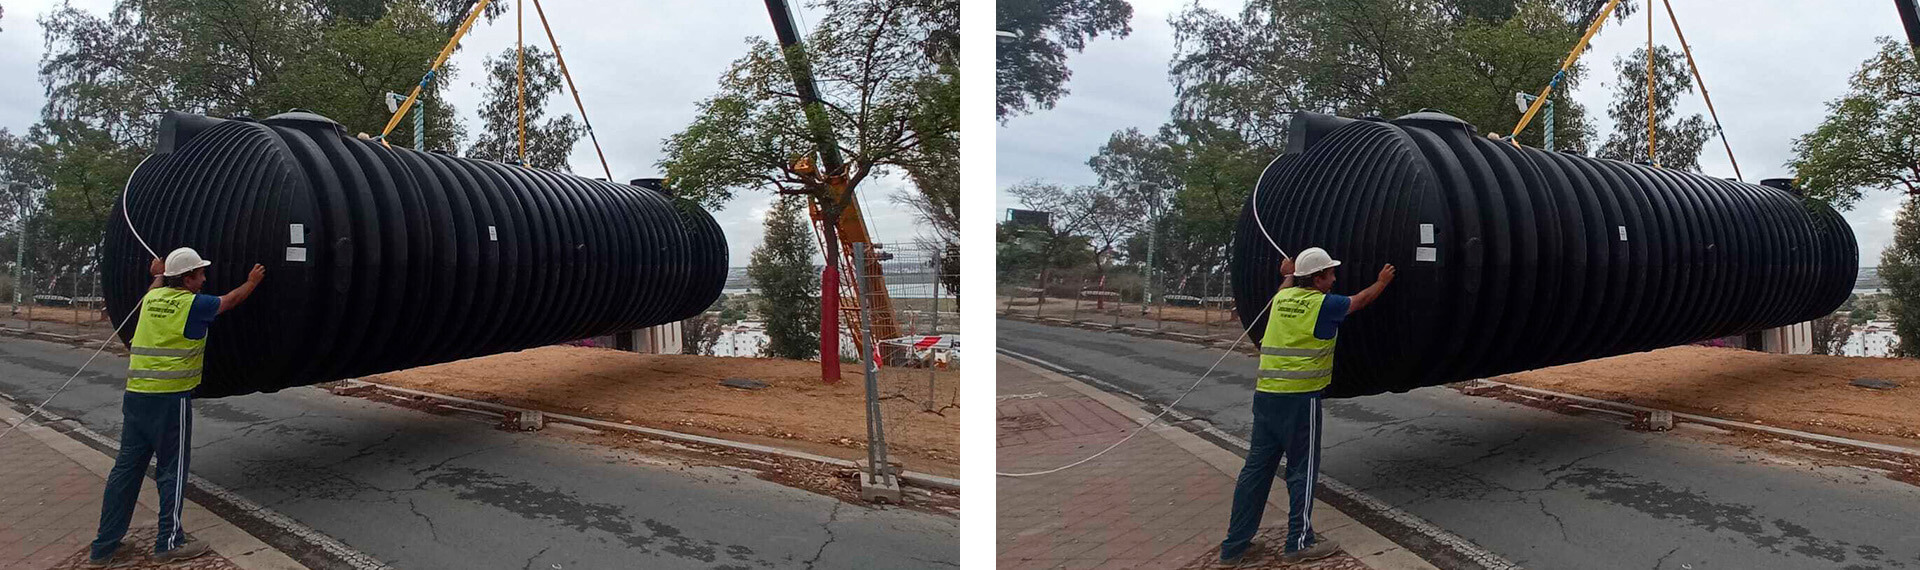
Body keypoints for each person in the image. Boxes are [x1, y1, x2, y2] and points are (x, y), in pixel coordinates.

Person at [1218, 247, 1394, 566]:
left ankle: (1234, 548)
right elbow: (1360, 301)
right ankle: (1298, 542)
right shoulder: (1323, 305)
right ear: (1317, 278)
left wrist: (1288, 273)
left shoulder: (1282, 299)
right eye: (1330, 274)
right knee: (1303, 471)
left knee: (1255, 471)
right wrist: (1381, 282)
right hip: (1300, 401)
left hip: (1266, 397)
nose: (1335, 278)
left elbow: (1285, 286)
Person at [87, 247, 263, 566]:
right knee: (173, 470)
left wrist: (157, 274)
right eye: (200, 274)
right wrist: (251, 282)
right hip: (170, 400)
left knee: (125, 471)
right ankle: (169, 542)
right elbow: (230, 301)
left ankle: (104, 548)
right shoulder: (193, 305)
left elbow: (155, 287)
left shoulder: (152, 299)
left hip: (136, 397)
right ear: (186, 278)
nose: (205, 279)